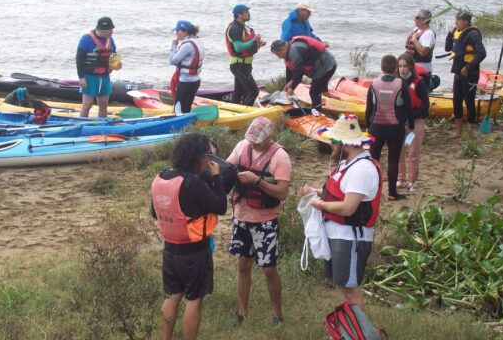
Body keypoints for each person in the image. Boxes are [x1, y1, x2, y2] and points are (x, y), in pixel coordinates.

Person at [300, 114, 382, 309]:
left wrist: (320, 205)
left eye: (334, 143)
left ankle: (358, 333)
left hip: (351, 238)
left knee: (350, 288)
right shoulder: (347, 165)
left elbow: (348, 207)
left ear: (346, 144)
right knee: (344, 286)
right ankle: (351, 331)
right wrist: (316, 192)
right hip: (340, 235)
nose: (331, 147)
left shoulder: (362, 169)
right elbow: (341, 193)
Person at [151, 132, 228, 340]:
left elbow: (154, 212)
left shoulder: (160, 177)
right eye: (206, 156)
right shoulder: (192, 184)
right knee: (194, 300)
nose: (207, 161)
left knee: (172, 296)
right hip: (195, 252)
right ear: (197, 157)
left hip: (170, 250)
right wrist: (216, 176)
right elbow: (221, 206)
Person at [227, 117, 291, 326]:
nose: (252, 144)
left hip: (265, 221)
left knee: (269, 268)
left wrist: (257, 181)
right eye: (251, 140)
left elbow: (282, 192)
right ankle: (241, 312)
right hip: (241, 217)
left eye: (257, 141)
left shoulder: (280, 157)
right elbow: (227, 169)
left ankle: (278, 314)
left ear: (270, 138)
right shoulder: (242, 146)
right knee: (243, 265)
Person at [365, 54, 414, 201]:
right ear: (395, 69)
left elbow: (368, 108)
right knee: (393, 160)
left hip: (376, 128)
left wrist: (368, 126)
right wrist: (410, 124)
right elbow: (408, 108)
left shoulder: (373, 84)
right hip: (395, 128)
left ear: (381, 68)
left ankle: (371, 193)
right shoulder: (401, 84)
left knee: (374, 160)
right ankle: (392, 193)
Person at [445, 11, 487, 136]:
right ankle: (458, 130)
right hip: (458, 71)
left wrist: (468, 67)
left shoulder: (473, 34)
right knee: (456, 100)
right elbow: (447, 48)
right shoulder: (457, 32)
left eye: (458, 20)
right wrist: (450, 33)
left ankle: (470, 130)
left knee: (469, 100)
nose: (456, 22)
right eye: (455, 19)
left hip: (470, 73)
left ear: (466, 22)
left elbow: (482, 53)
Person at [270, 38, 337, 116]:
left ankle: (317, 113)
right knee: (320, 85)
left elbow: (299, 72)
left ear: (283, 48)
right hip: (324, 65)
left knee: (314, 92)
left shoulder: (293, 50)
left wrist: (292, 88)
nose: (279, 57)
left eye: (278, 54)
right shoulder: (289, 50)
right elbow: (289, 68)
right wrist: (289, 82)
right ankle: (326, 96)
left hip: (327, 66)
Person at [76, 17, 122, 118]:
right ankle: (82, 124)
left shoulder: (110, 40)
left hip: (104, 76)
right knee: (87, 105)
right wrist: (81, 77)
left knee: (103, 104)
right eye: (110, 30)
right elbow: (79, 59)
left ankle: (102, 125)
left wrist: (117, 65)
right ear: (103, 30)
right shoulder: (86, 39)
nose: (112, 32)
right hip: (89, 76)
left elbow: (113, 55)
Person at [397, 54, 430, 192]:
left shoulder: (419, 82)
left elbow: (425, 105)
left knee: (413, 152)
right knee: (399, 151)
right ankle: (401, 179)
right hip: (400, 122)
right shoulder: (396, 81)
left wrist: (411, 117)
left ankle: (412, 181)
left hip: (416, 121)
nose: (402, 69)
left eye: (405, 66)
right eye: (400, 66)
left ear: (411, 67)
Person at [225, 4, 266, 106]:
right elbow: (238, 47)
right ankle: (246, 113)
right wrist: (253, 40)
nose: (249, 14)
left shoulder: (243, 27)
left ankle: (235, 112)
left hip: (243, 65)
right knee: (253, 91)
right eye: (246, 12)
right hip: (240, 66)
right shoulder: (235, 28)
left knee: (239, 92)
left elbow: (247, 45)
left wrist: (258, 43)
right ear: (239, 14)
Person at [169, 20, 204, 114]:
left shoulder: (187, 45)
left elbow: (173, 61)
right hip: (196, 82)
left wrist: (173, 46)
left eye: (178, 31)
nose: (176, 33)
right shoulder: (198, 41)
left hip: (185, 83)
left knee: (178, 111)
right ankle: (187, 126)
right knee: (186, 109)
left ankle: (177, 127)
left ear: (185, 31)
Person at [405, 9, 436, 89]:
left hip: (423, 69)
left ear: (424, 20)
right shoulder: (416, 29)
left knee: (420, 92)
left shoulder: (429, 33)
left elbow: (423, 52)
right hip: (412, 67)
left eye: (417, 17)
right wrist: (409, 37)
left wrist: (414, 39)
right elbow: (406, 46)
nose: (414, 19)